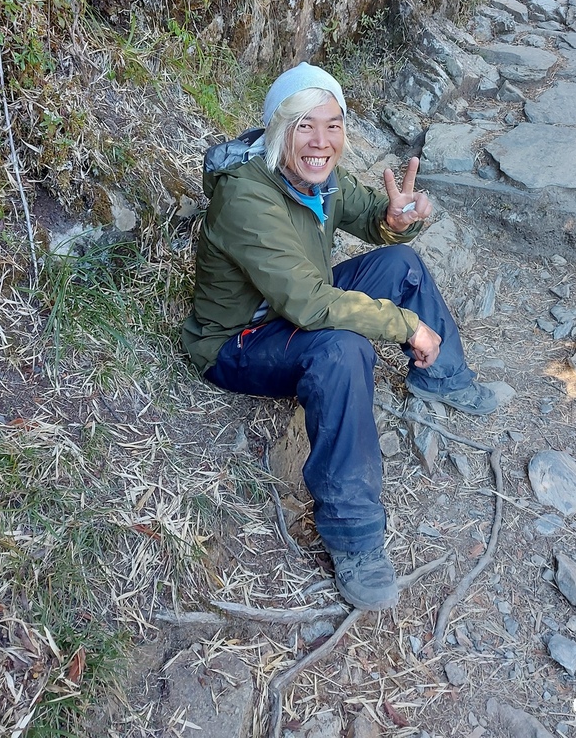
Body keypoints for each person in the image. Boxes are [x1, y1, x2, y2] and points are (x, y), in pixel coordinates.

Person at [182, 62, 497, 611]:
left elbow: (368, 212)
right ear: (279, 129)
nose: (321, 142)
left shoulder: (314, 178)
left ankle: (442, 377)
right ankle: (353, 534)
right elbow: (308, 304)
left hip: (293, 309)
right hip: (238, 342)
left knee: (401, 262)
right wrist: (406, 326)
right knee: (343, 348)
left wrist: (398, 220)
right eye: (306, 126)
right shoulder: (246, 198)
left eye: (333, 125)